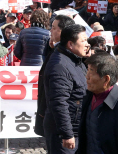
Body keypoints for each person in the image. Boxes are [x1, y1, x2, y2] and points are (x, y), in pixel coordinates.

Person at [44, 24, 90, 153]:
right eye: (83, 41)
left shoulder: (75, 59)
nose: (87, 44)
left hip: (77, 127)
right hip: (64, 133)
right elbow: (59, 102)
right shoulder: (60, 66)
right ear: (70, 44)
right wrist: (67, 134)